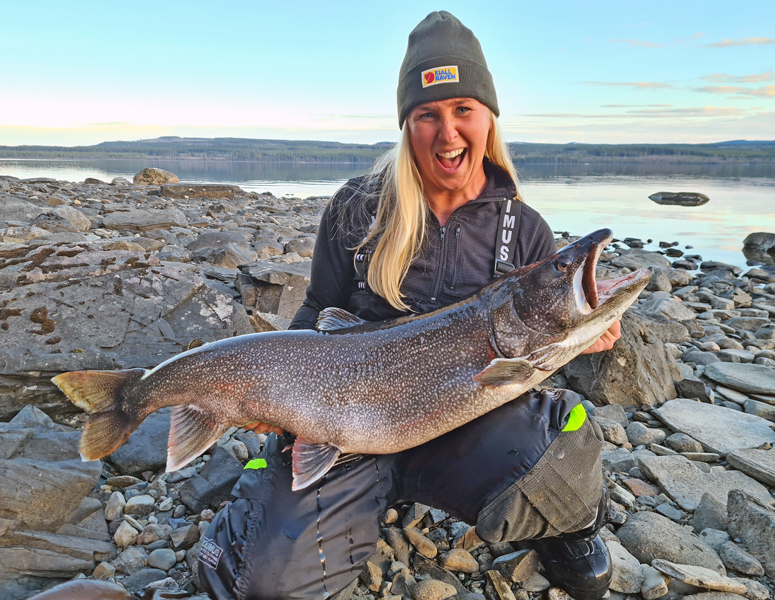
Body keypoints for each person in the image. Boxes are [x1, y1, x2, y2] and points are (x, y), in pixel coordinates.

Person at [198, 11, 620, 600]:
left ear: (489, 119)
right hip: (348, 425)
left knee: (563, 453)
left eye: (463, 110)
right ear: (407, 125)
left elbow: (536, 351)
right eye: (428, 115)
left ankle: (566, 524)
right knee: (262, 583)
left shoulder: (523, 228)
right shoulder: (356, 207)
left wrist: (585, 336)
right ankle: (274, 503)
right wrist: (281, 400)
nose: (448, 133)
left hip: (465, 423)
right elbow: (318, 307)